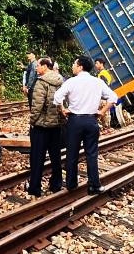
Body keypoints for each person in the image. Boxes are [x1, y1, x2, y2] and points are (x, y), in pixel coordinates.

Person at [54, 55, 117, 194]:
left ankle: (71, 184)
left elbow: (57, 98)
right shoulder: (97, 82)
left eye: (74, 64)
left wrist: (62, 110)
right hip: (91, 121)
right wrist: (101, 112)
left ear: (80, 66)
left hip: (74, 121)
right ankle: (94, 185)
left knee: (72, 154)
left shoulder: (71, 82)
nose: (72, 66)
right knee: (92, 154)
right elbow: (113, 97)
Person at [27, 57, 64, 197]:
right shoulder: (60, 81)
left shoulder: (41, 83)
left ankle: (35, 188)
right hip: (56, 125)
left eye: (38, 66)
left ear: (44, 66)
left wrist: (32, 121)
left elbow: (37, 106)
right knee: (55, 156)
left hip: (42, 126)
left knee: (37, 157)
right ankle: (56, 184)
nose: (36, 69)